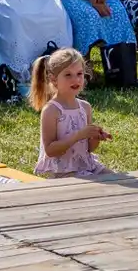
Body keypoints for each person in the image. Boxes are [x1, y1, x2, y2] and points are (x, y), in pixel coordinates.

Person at [31, 47, 109, 177]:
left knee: (120, 180)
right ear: (53, 79)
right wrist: (78, 135)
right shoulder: (51, 110)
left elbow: (89, 148)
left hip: (88, 166)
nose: (76, 79)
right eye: (68, 75)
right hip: (64, 171)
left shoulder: (85, 107)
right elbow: (50, 150)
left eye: (79, 74)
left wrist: (95, 137)